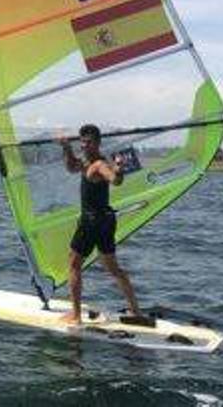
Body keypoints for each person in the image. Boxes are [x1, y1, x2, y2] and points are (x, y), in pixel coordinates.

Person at [58, 124, 142, 325]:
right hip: (105, 220)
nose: (84, 145)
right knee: (113, 268)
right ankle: (135, 310)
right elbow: (71, 167)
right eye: (82, 142)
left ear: (98, 143)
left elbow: (115, 179)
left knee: (74, 264)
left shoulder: (99, 165)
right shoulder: (86, 162)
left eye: (88, 142)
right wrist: (66, 147)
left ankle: (76, 315)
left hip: (92, 221)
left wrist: (119, 170)